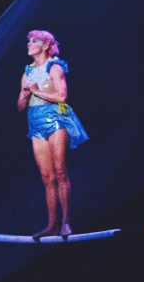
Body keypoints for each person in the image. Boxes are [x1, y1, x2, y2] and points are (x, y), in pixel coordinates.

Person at [16, 29, 89, 239]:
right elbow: (20, 107)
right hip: (35, 123)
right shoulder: (27, 72)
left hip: (56, 118)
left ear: (45, 45)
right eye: (28, 40)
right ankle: (52, 224)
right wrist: (25, 95)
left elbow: (62, 96)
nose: (29, 43)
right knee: (46, 177)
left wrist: (37, 91)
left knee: (60, 172)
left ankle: (66, 222)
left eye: (33, 40)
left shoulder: (54, 66)